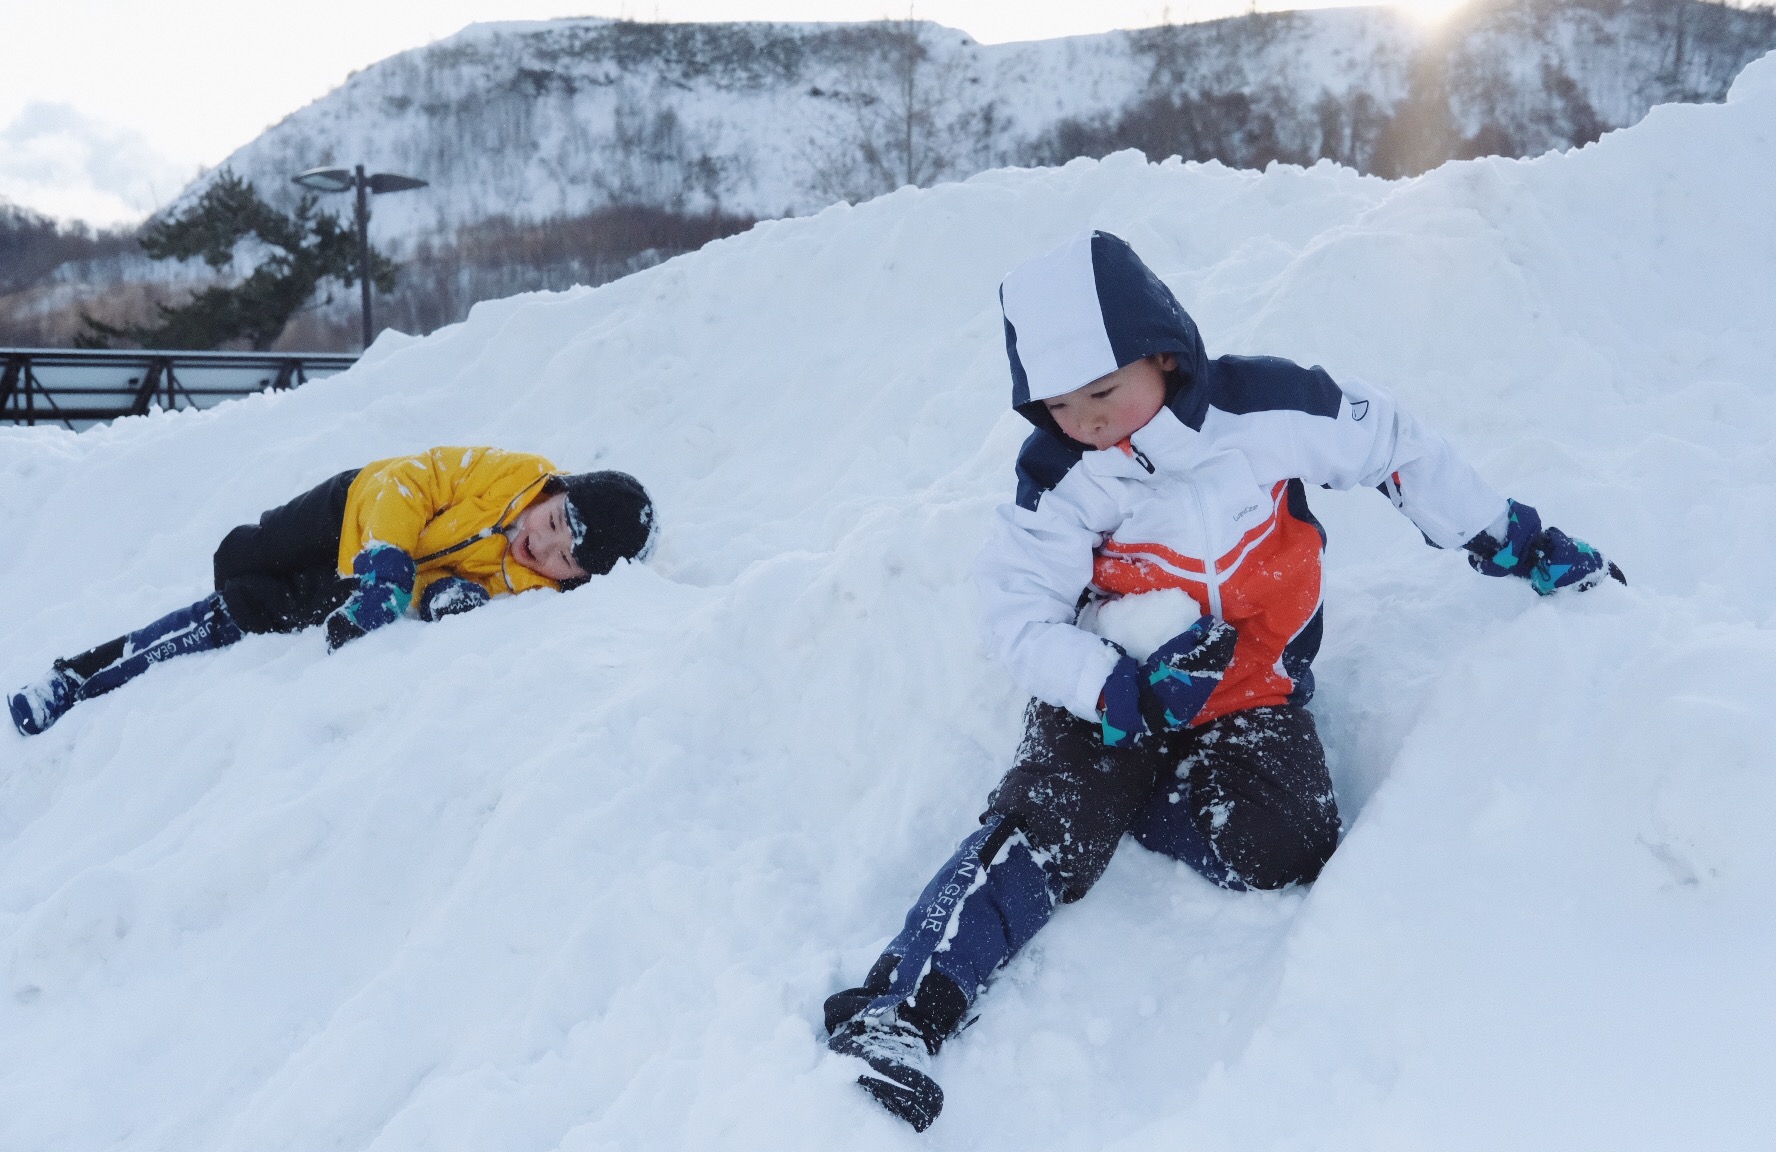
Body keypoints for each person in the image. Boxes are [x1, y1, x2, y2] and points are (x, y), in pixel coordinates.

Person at [821, 231, 1623, 1131]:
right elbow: (1015, 612)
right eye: (1057, 405)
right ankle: (902, 1012)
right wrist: (1111, 690)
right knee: (1052, 819)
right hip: (1113, 690)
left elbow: (1398, 448)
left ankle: (1129, 803)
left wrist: (1509, 538)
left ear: (1163, 355)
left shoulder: (1272, 409)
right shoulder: (1060, 473)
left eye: (1102, 392)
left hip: (1247, 688)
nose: (1084, 420)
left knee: (1288, 846)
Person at [9, 446, 657, 737]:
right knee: (242, 557)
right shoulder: (511, 475)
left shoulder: (520, 585)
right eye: (549, 526)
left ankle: (74, 681)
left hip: (363, 581)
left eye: (562, 560)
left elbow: (447, 580)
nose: (540, 548)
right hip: (349, 506)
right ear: (557, 491)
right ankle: (227, 583)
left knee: (237, 612)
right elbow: (409, 481)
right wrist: (387, 564)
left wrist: (433, 598)